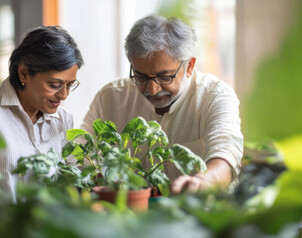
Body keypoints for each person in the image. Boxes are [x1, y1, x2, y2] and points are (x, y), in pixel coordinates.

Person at [81, 14, 243, 194]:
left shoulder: (215, 96)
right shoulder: (111, 97)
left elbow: (226, 158)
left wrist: (202, 182)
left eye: (164, 77)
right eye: (141, 77)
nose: (153, 89)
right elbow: (79, 151)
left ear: (189, 66)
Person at [0, 26, 84, 199]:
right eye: (54, 85)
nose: (64, 95)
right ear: (24, 73)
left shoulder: (63, 120)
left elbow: (72, 180)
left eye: (69, 85)